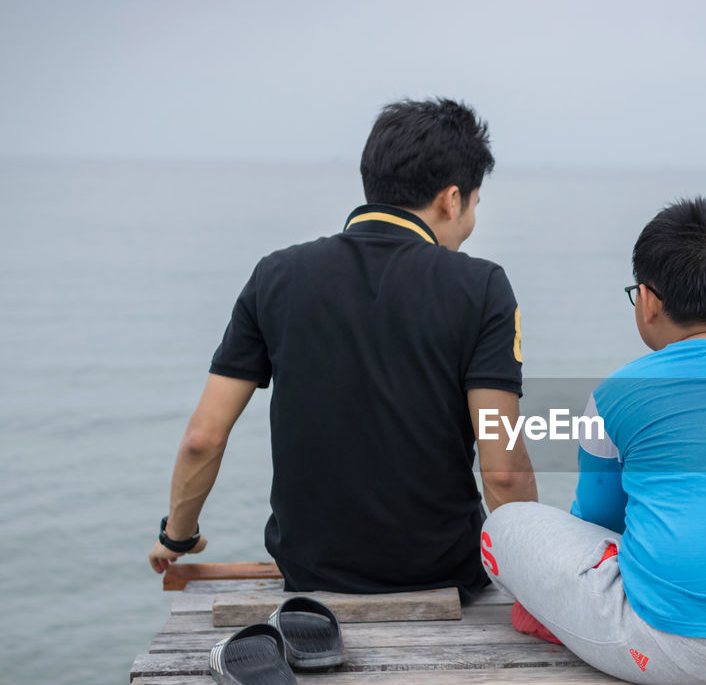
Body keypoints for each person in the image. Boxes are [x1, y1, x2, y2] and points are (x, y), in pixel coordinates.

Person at [148, 98, 536, 598]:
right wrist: (536, 576)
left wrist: (176, 535)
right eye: (475, 206)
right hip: (443, 578)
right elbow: (503, 470)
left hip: (310, 577)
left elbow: (203, 437)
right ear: (451, 199)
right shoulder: (481, 286)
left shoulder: (276, 275)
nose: (470, 222)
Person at [479, 198, 706, 685]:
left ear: (648, 301)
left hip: (683, 651)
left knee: (503, 526)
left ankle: (561, 619)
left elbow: (599, 522)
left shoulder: (615, 394)